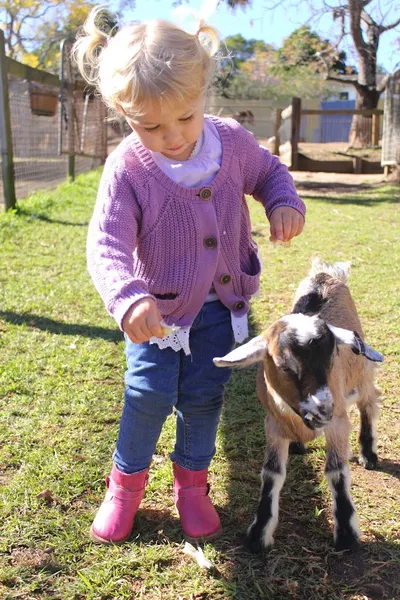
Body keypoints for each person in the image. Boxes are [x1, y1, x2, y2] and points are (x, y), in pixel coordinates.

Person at [73, 6, 306, 545]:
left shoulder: (230, 143)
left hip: (221, 310)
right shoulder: (128, 168)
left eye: (185, 117)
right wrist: (127, 297)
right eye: (149, 125)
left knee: (204, 397)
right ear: (123, 114)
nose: (172, 136)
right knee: (147, 395)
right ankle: (125, 487)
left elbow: (269, 171)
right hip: (157, 313)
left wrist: (282, 201)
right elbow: (105, 243)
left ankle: (191, 486)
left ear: (203, 91)